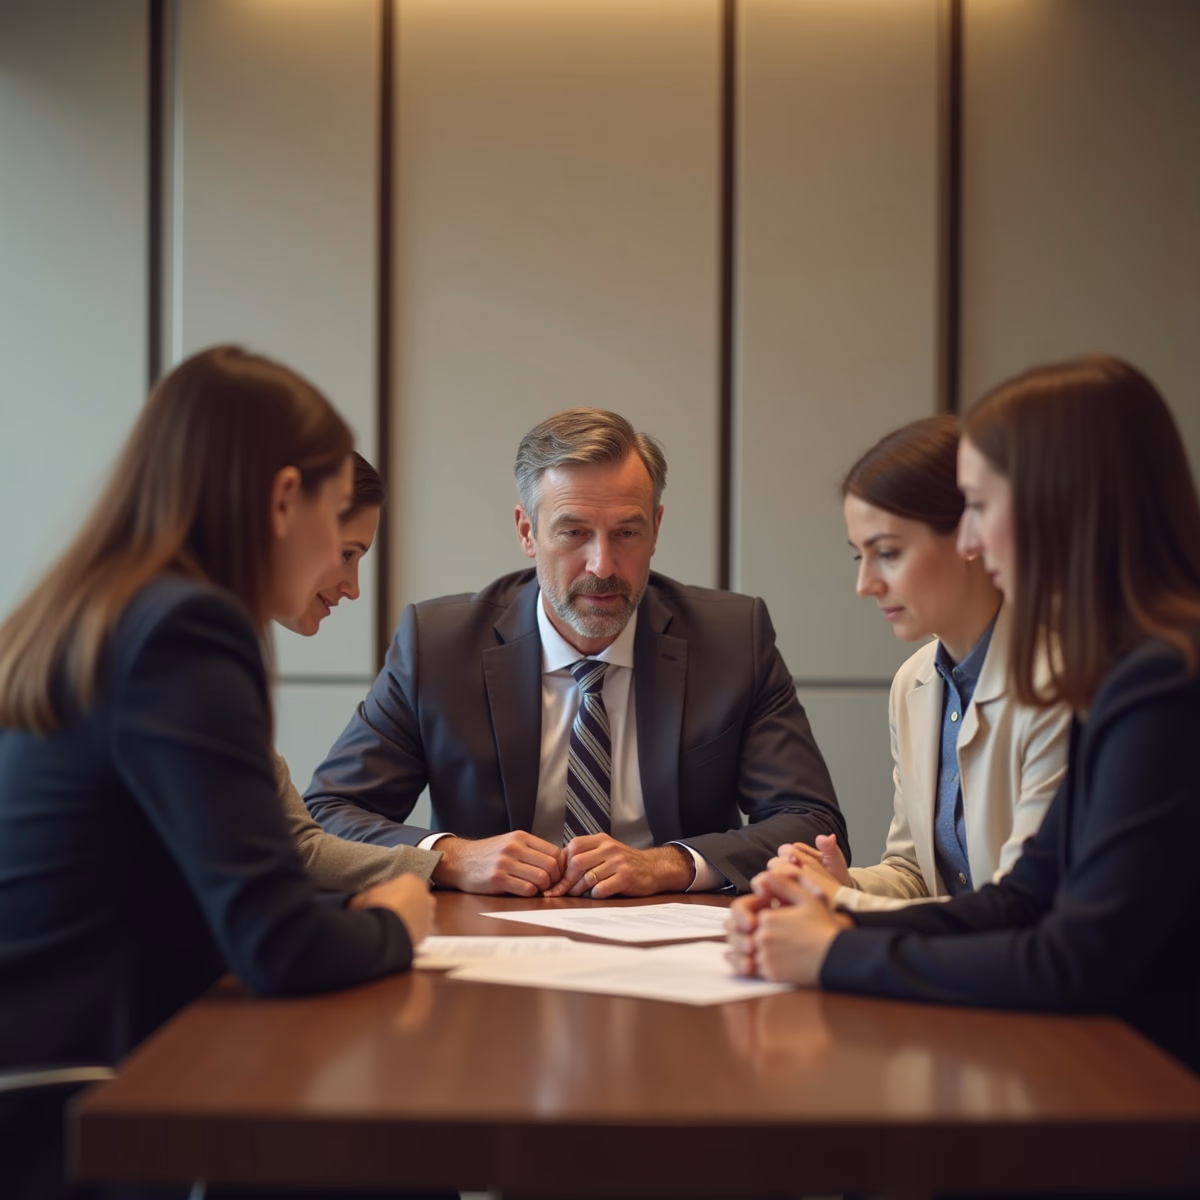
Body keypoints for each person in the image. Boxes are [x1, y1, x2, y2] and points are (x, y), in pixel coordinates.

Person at [0, 346, 434, 1198]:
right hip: (76, 1100)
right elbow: (276, 943)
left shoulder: (99, 606)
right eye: (335, 514)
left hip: (59, 1062)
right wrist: (396, 920)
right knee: (398, 1163)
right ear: (282, 499)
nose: (343, 571)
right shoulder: (185, 629)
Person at [727, 354, 1200, 1077]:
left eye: (980, 506)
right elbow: (1019, 901)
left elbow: (1071, 955)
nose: (973, 541)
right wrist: (833, 916)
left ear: (1061, 502)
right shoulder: (1128, 671)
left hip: (1143, 1091)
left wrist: (833, 947)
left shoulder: (1165, 681)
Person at [306, 407, 846, 897]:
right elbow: (328, 814)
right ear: (527, 531)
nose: (602, 565)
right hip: (491, 944)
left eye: (627, 532)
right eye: (574, 533)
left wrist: (669, 864)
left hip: (676, 945)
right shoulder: (440, 644)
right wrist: (451, 857)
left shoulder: (732, 639)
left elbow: (810, 820)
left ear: (656, 529)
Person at [775, 416, 1070, 912]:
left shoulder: (1061, 685)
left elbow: (1023, 908)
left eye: (887, 553)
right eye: (859, 558)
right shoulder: (913, 682)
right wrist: (840, 883)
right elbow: (916, 872)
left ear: (971, 536)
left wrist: (847, 906)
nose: (865, 584)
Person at [275, 451, 441, 890]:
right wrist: (381, 928)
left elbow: (296, 844)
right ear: (282, 516)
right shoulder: (186, 649)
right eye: (348, 554)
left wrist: (444, 864)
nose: (353, 588)